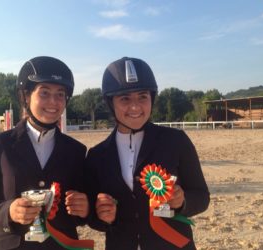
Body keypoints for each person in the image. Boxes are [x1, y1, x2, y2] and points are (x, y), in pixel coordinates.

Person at [0, 56, 89, 250]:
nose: (53, 102)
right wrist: (8, 211)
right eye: (44, 93)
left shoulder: (76, 151)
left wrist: (85, 208)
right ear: (26, 96)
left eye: (60, 94)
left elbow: (82, 212)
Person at [85, 57, 210, 249]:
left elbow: (201, 197)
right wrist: (102, 216)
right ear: (111, 102)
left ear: (152, 98)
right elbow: (94, 217)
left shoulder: (176, 141)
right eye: (125, 98)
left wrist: (182, 201)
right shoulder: (97, 156)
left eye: (142, 96)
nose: (135, 106)